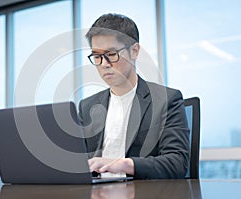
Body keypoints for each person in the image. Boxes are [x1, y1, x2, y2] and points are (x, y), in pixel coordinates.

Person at [78, 13, 189, 179]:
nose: (104, 64)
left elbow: (177, 162)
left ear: (134, 51)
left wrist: (124, 164)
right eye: (97, 56)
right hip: (96, 192)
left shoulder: (166, 100)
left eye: (111, 54)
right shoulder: (87, 106)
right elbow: (76, 160)